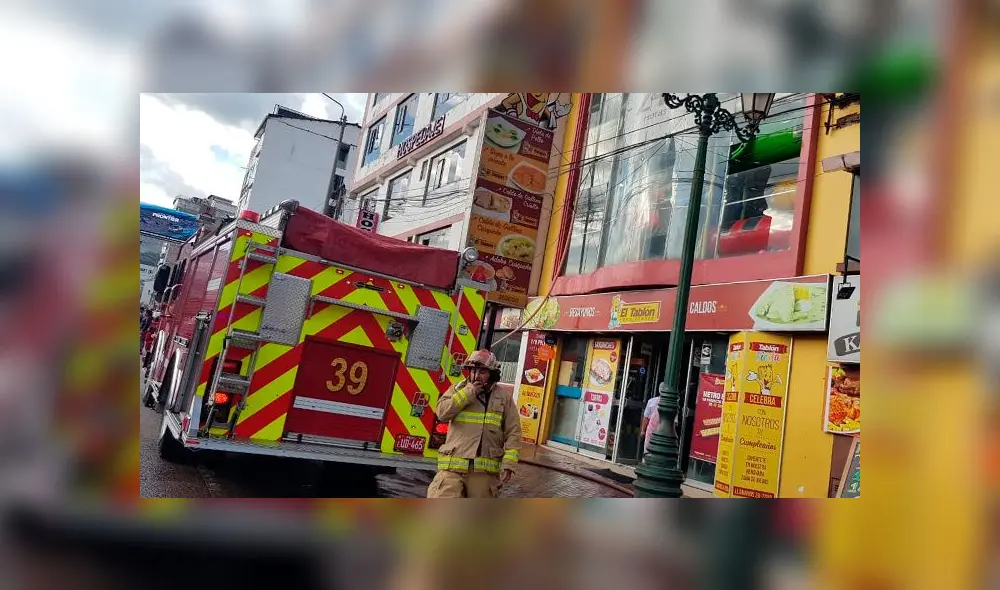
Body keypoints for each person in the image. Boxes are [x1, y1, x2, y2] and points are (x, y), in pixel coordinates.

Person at [427, 349, 521, 498]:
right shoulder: (458, 390)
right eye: (472, 371)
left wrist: (509, 464)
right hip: (452, 468)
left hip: (483, 473)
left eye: (482, 371)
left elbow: (513, 432)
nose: (476, 376)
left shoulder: (503, 398)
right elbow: (442, 413)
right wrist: (468, 392)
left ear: (492, 374)